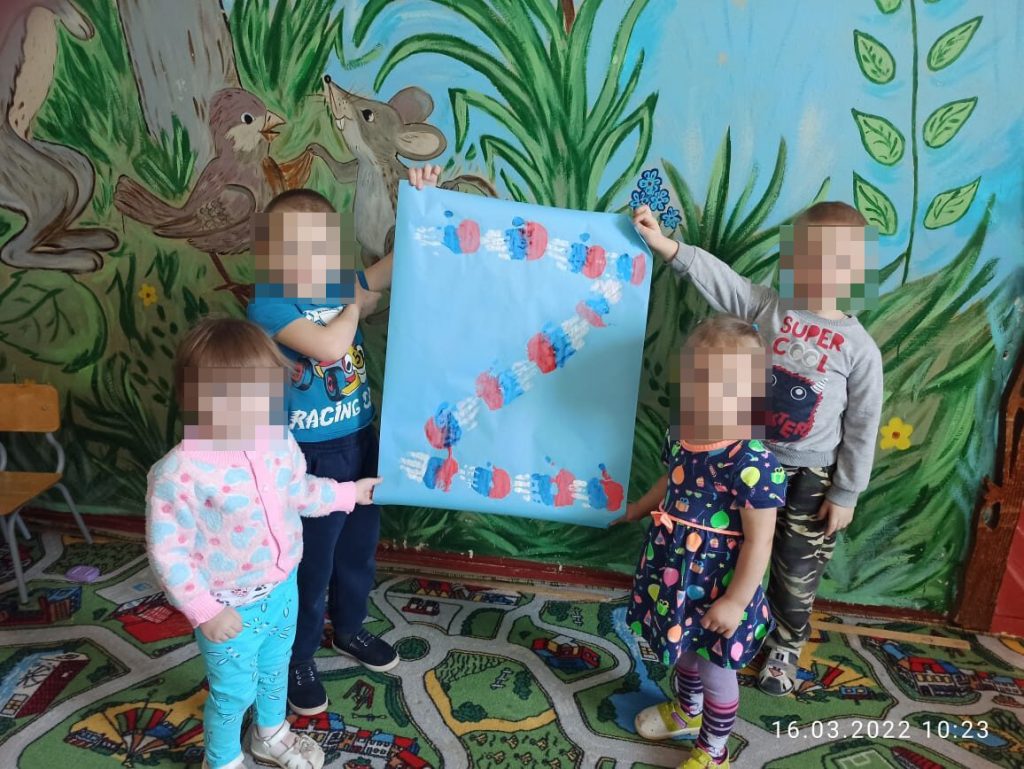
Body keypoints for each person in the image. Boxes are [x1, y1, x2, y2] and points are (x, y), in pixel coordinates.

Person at [632, 201, 884, 696]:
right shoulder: (769, 306)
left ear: (856, 271)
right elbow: (720, 280)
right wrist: (666, 246)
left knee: (796, 567)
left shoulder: (859, 348)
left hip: (810, 478)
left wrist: (847, 491)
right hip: (741, 465)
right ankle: (713, 626)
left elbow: (862, 423)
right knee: (730, 553)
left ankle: (785, 646)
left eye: (836, 262)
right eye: (809, 256)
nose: (820, 270)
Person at [247, 165, 441, 715]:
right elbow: (331, 348)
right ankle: (298, 657)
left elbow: (392, 268)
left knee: (358, 551)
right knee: (311, 565)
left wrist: (421, 203)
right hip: (308, 459)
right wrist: (357, 304)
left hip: (360, 441)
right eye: (294, 249)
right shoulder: (269, 305)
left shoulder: (334, 286)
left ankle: (349, 628)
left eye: (320, 248)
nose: (309, 260)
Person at [146, 317, 381, 769]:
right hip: (228, 607)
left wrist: (350, 493)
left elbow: (301, 490)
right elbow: (168, 553)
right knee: (233, 693)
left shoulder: (276, 440)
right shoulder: (178, 473)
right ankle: (222, 759)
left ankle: (270, 735)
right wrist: (204, 610)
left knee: (275, 672)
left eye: (265, 392)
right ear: (197, 399)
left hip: (282, 589)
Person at [615, 315, 785, 768]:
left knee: (714, 668)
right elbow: (670, 481)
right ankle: (687, 711)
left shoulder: (752, 461)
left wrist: (734, 602)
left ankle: (714, 749)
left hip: (720, 584)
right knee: (684, 653)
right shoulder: (682, 435)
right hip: (675, 573)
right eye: (698, 383)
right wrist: (638, 508)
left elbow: (760, 542)